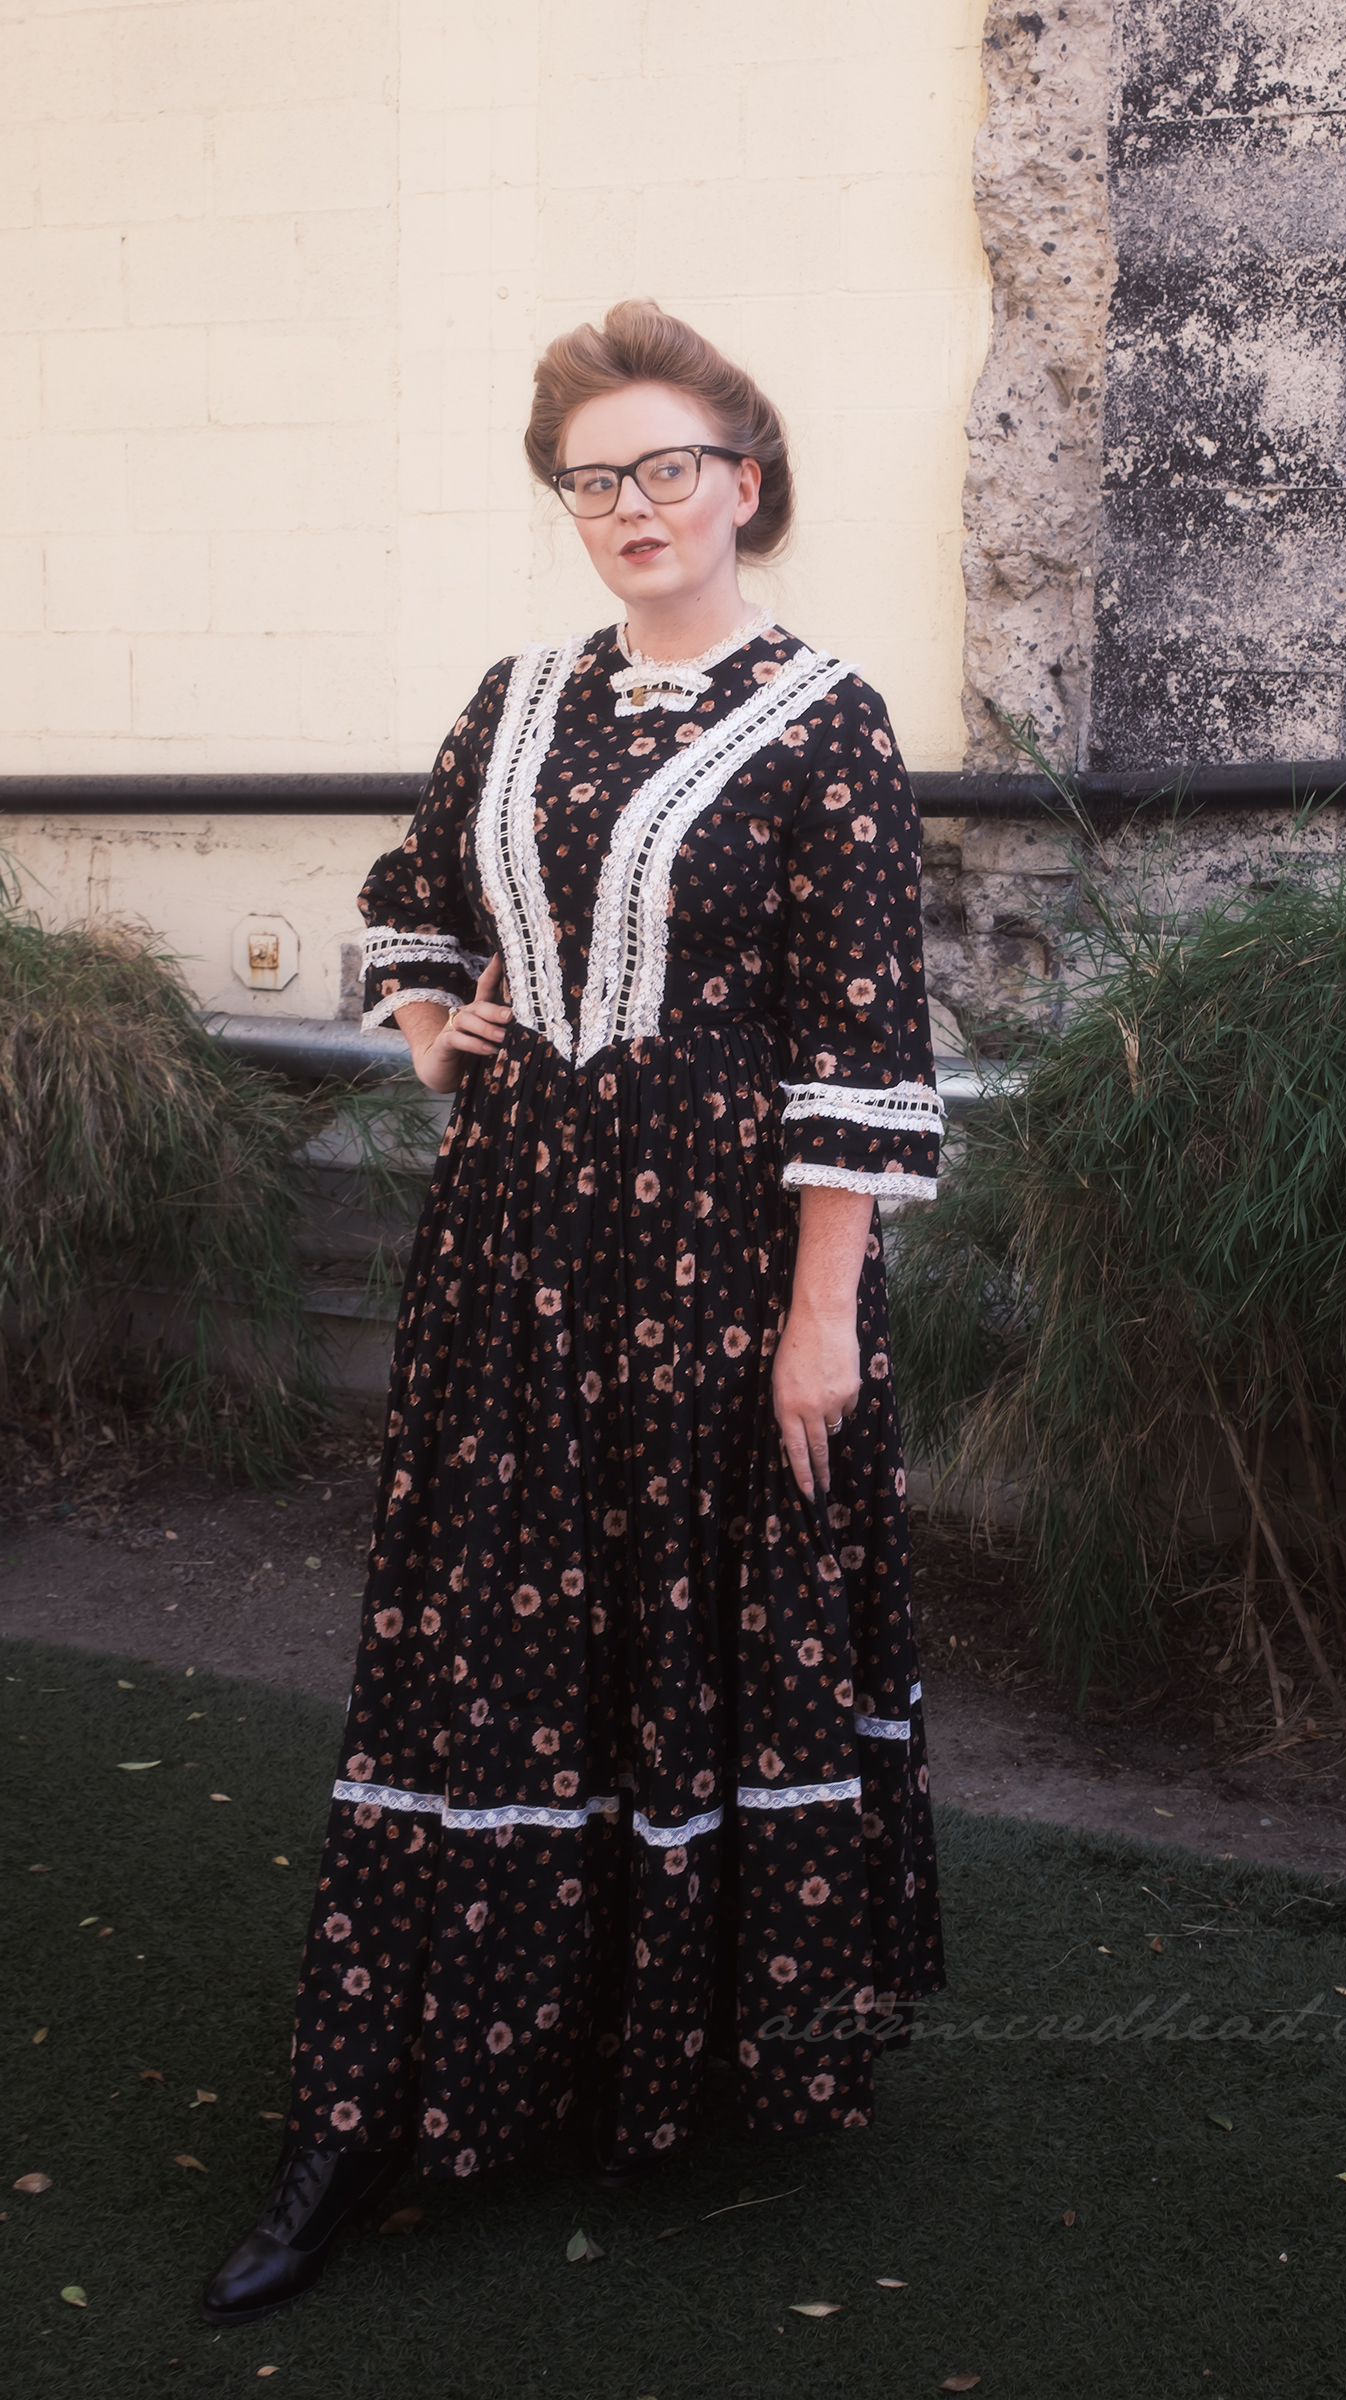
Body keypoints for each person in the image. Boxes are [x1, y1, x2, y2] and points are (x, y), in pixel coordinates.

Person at [202, 298, 946, 2326]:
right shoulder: (517, 699)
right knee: (489, 1638)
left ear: (745, 482)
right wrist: (433, 1028)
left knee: (691, 1626)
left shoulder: (829, 720)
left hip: (722, 1263)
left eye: (668, 467)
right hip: (517, 1253)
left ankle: (662, 2056)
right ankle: (374, 2096)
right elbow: (416, 893)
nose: (633, 505)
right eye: (594, 478)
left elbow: (857, 1042)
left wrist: (822, 1317)